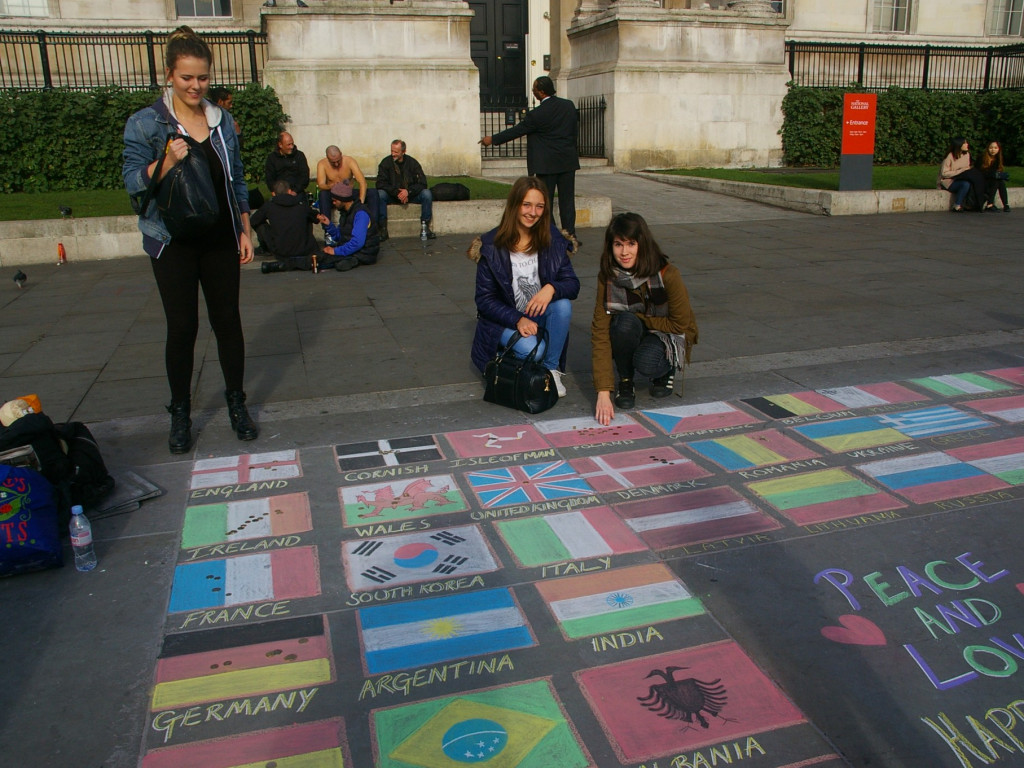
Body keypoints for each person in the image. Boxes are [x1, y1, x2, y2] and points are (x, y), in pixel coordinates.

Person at [122, 25, 258, 453]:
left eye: (202, 77)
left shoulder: (222, 121)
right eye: (186, 77)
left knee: (228, 321)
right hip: (173, 241)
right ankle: (180, 412)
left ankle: (236, 403)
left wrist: (244, 228)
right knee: (182, 327)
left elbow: (236, 179)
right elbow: (131, 183)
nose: (195, 86)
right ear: (169, 75)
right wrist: (163, 162)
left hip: (219, 237)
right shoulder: (146, 123)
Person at [468, 176, 579, 397]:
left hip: (537, 314)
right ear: (515, 205)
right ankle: (507, 354)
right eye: (526, 204)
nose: (533, 212)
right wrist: (517, 319)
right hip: (503, 320)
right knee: (534, 352)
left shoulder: (553, 240)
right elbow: (484, 300)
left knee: (563, 305)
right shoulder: (491, 246)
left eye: (539, 206)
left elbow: (572, 284)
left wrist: (551, 288)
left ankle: (551, 370)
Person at [591, 213, 698, 426]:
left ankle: (666, 368)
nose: (624, 252)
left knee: (646, 362)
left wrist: (642, 319)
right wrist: (603, 391)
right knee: (623, 324)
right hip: (635, 328)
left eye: (631, 244)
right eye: (618, 244)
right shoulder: (608, 276)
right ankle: (625, 380)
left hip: (667, 332)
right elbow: (600, 331)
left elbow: (679, 324)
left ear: (643, 243)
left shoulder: (668, 274)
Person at [480, 76, 581, 243]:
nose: (533, 93)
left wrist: (492, 139)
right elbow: (573, 131)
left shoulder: (537, 114)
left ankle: (554, 236)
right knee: (567, 201)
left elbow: (517, 131)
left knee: (545, 202)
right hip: (567, 161)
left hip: (547, 165)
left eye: (534, 90)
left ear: (541, 92)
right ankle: (570, 235)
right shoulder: (568, 106)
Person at [252, 179, 321, 272]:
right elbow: (317, 218)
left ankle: (265, 249)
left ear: (273, 193)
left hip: (280, 251)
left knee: (261, 226)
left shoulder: (269, 206)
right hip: (303, 249)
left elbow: (253, 221)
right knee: (308, 217)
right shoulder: (301, 205)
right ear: (289, 191)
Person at [375, 139, 435, 241]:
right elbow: (380, 183)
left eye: (396, 152)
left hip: (411, 195)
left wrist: (408, 192)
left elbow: (422, 183)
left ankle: (425, 227)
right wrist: (397, 192)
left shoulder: (413, 163)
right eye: (392, 151)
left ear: (403, 152)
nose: (393, 154)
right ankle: (383, 229)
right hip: (392, 195)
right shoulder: (385, 163)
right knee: (380, 194)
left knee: (427, 194)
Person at [318, 181, 380, 271]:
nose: (333, 203)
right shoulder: (345, 213)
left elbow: (357, 243)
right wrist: (329, 225)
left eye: (335, 200)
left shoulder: (361, 214)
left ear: (343, 200)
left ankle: (353, 260)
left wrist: (335, 251)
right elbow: (341, 236)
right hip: (355, 250)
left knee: (323, 259)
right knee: (320, 257)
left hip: (364, 252)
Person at [316, 145, 367, 219]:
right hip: (333, 194)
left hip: (348, 194)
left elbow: (362, 182)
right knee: (323, 194)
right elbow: (321, 184)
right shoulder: (322, 164)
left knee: (372, 193)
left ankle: (375, 224)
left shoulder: (349, 161)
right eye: (333, 162)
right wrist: (330, 186)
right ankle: (326, 224)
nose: (336, 164)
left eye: (338, 161)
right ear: (327, 158)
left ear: (341, 154)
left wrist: (361, 202)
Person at [937, 137, 986, 212]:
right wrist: (961, 171)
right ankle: (957, 205)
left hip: (960, 178)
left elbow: (966, 169)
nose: (967, 145)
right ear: (959, 145)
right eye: (965, 143)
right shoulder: (949, 156)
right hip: (948, 181)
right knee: (965, 184)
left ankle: (972, 204)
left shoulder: (967, 155)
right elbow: (944, 173)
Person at [976, 140, 1011, 213]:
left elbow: (997, 171)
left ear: (998, 149)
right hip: (982, 180)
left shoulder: (998, 159)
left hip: (992, 180)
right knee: (996, 180)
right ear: (987, 148)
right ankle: (990, 204)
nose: (993, 150)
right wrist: (994, 175)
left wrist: (1000, 175)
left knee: (1000, 181)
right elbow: (980, 173)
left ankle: (1005, 204)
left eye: (995, 148)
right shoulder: (981, 158)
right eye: (991, 148)